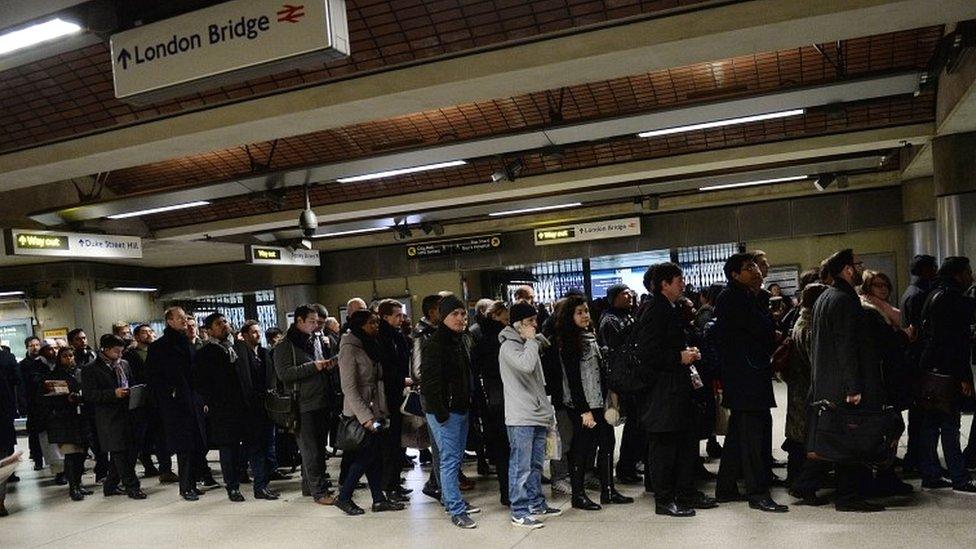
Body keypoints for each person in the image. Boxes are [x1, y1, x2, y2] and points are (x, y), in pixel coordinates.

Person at [808, 249, 888, 511]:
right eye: (857, 265)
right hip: (845, 385)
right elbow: (846, 345)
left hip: (829, 382)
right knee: (852, 440)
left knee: (839, 439)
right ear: (847, 270)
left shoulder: (825, 297)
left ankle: (821, 487)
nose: (860, 268)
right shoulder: (844, 299)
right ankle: (848, 497)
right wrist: (854, 386)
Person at [637, 263, 716, 517]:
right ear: (664, 284)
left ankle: (685, 492)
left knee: (683, 443)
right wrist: (679, 356)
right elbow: (647, 353)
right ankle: (664, 499)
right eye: (678, 279)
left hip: (677, 388)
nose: (683, 283)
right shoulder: (655, 310)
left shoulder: (670, 308)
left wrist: (688, 353)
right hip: (662, 391)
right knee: (664, 446)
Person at [714, 253, 786, 512]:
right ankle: (758, 493)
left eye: (755, 266)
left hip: (747, 375)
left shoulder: (745, 296)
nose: (755, 270)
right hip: (745, 377)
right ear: (735, 275)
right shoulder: (735, 299)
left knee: (737, 436)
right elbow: (760, 332)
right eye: (748, 268)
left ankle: (725, 487)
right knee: (753, 438)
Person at [557, 294, 632, 511]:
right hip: (583, 405)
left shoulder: (591, 336)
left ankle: (608, 490)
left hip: (600, 401)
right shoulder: (570, 342)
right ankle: (578, 495)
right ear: (569, 316)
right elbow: (572, 380)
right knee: (582, 448)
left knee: (608, 442)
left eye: (586, 311)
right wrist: (583, 411)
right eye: (579, 312)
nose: (584, 316)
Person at [334, 310, 405, 515]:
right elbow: (349, 387)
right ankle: (345, 496)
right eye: (372, 322)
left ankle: (378, 499)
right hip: (360, 412)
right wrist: (366, 418)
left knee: (374, 455)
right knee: (366, 455)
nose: (376, 325)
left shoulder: (371, 344)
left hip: (377, 409)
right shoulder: (349, 348)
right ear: (360, 325)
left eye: (376, 321)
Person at [498, 301, 561, 528]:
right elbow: (525, 366)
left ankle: (536, 502)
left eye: (535, 320)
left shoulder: (529, 343)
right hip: (520, 416)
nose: (535, 325)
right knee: (520, 466)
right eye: (530, 322)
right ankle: (519, 510)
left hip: (537, 413)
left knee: (535, 464)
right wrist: (532, 341)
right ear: (518, 325)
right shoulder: (509, 347)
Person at [916, 257, 976, 493]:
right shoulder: (953, 299)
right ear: (958, 274)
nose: (971, 276)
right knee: (950, 424)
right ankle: (959, 477)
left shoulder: (933, 294)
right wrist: (962, 377)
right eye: (968, 272)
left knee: (931, 424)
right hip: (947, 370)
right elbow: (954, 342)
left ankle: (931, 473)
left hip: (929, 367)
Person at [422, 295, 480, 529]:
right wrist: (441, 412)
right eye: (455, 314)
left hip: (460, 408)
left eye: (463, 314)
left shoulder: (460, 340)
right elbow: (430, 383)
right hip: (445, 412)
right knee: (449, 460)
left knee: (454, 461)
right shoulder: (435, 344)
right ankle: (456, 510)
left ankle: (451, 500)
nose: (461, 318)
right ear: (443, 316)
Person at [274, 304, 337, 505]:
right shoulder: (285, 345)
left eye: (318, 321)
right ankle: (319, 492)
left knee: (319, 447)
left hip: (321, 400)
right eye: (311, 321)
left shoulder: (316, 339)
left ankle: (309, 487)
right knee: (311, 450)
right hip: (302, 403)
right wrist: (314, 366)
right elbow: (284, 374)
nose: (316, 325)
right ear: (299, 321)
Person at [148, 307, 210, 501]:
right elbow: (154, 377)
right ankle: (185, 487)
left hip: (192, 401)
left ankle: (192, 483)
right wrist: (169, 395)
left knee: (196, 445)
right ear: (169, 321)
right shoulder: (160, 347)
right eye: (180, 318)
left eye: (186, 318)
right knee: (184, 447)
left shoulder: (187, 342)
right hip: (175, 405)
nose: (184, 321)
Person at [82, 334, 147, 500]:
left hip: (128, 413)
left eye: (121, 351)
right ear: (106, 349)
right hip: (108, 417)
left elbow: (131, 383)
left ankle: (110, 485)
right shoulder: (91, 369)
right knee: (119, 452)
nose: (120, 355)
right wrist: (113, 394)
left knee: (131, 451)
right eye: (116, 351)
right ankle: (132, 487)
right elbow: (89, 395)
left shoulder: (124, 364)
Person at [782, 283, 828, 494]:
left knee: (799, 438)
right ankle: (800, 483)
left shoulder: (803, 321)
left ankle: (797, 480)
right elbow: (815, 361)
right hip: (805, 390)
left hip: (799, 389)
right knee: (805, 439)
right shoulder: (809, 326)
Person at [899, 254, 938, 471]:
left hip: (914, 359)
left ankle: (916, 458)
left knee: (919, 415)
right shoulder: (920, 295)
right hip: (920, 360)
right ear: (926, 271)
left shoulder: (911, 291)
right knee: (924, 416)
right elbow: (920, 332)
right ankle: (920, 460)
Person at [472, 300, 511, 505]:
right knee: (509, 447)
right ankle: (511, 491)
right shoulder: (502, 339)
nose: (508, 320)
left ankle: (507, 492)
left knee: (502, 448)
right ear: (494, 316)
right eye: (505, 317)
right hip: (503, 398)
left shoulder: (479, 337)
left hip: (491, 399)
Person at [374, 299, 412, 502]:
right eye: (397, 315)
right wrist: (401, 379)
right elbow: (385, 369)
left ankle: (395, 482)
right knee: (389, 444)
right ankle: (389, 486)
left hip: (400, 393)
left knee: (399, 443)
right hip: (388, 397)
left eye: (402, 315)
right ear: (385, 317)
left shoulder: (397, 336)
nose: (401, 318)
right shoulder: (382, 338)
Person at [42, 348, 91, 500]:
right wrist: (66, 399)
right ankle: (73, 487)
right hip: (63, 420)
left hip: (81, 418)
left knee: (82, 454)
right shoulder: (53, 376)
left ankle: (79, 483)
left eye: (71, 356)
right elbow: (48, 399)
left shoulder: (80, 372)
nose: (69, 359)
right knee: (71, 454)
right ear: (59, 358)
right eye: (65, 356)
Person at [411, 294, 444, 500]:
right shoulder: (421, 334)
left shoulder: (439, 332)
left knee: (446, 445)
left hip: (442, 393)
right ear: (432, 312)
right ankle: (441, 487)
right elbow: (417, 371)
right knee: (440, 445)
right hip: (432, 394)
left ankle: (436, 481)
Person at [18, 336, 43, 471]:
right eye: (32, 345)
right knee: (34, 433)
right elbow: (20, 387)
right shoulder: (22, 365)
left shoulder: (43, 363)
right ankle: (37, 459)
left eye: (37, 345)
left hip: (44, 403)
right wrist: (22, 405)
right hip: (31, 403)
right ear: (27, 347)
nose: (35, 348)